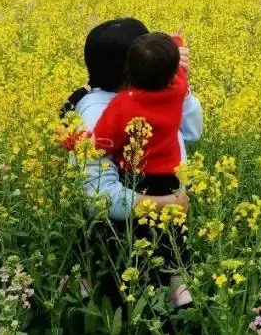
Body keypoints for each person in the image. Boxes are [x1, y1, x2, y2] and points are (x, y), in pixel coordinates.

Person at [61, 18, 203, 221]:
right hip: (129, 231)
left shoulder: (152, 93)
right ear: (132, 70)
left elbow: (191, 134)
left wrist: (176, 78)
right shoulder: (101, 113)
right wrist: (170, 205)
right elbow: (98, 198)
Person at [93, 32, 194, 305]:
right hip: (171, 177)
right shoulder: (177, 91)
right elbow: (180, 73)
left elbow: (102, 142)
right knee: (173, 229)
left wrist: (76, 140)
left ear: (128, 72)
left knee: (138, 230)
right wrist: (177, 44)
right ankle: (178, 285)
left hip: (136, 176)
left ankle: (137, 287)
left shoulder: (123, 104)